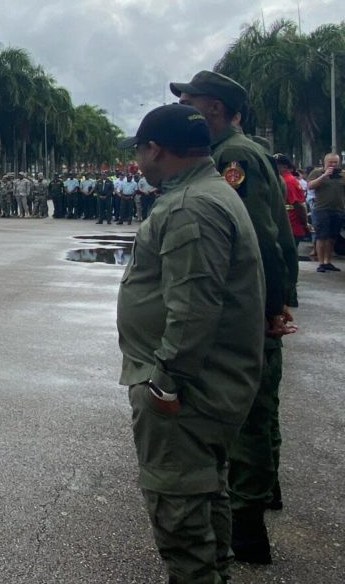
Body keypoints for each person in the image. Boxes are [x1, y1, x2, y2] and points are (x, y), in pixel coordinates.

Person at [116, 104, 265, 583]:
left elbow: (193, 306)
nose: (138, 161)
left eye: (140, 151)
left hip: (189, 391)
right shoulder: (209, 191)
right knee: (205, 495)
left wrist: (165, 383)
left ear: (155, 149)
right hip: (209, 382)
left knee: (180, 512)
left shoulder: (189, 206)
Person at [173, 69, 298, 563]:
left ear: (216, 109)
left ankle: (247, 524)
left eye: (191, 101)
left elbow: (254, 237)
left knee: (248, 411)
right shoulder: (237, 150)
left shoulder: (233, 157)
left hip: (246, 304)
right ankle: (264, 491)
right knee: (261, 404)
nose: (184, 108)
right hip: (259, 297)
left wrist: (267, 305)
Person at [306, 152, 344, 272]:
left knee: (332, 237)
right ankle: (321, 262)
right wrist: (324, 175)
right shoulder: (317, 172)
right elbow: (310, 186)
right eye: (330, 162)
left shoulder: (342, 175)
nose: (333, 165)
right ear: (324, 162)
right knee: (321, 236)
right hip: (321, 209)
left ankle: (328, 261)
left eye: (335, 162)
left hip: (338, 209)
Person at [276, 155, 309, 252]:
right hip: (285, 224)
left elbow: (298, 205)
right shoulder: (282, 179)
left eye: (276, 165)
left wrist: (305, 223)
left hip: (291, 224)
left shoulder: (288, 181)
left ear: (284, 167)